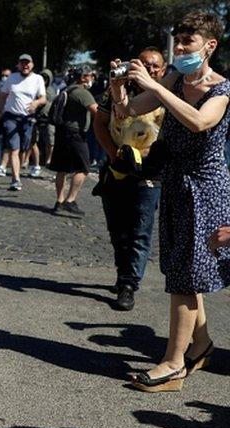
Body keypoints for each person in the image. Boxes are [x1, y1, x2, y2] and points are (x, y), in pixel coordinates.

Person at [113, 11, 229, 392]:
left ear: (209, 45)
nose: (179, 48)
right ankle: (201, 344)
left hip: (205, 189)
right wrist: (121, 88)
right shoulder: (176, 78)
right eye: (177, 41)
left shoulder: (223, 89)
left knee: (184, 277)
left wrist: (159, 85)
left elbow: (198, 122)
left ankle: (173, 365)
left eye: (187, 42)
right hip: (176, 183)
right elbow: (133, 109)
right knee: (182, 270)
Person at [92, 47, 167, 311]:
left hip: (148, 175)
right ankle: (122, 272)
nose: (150, 69)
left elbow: (169, 139)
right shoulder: (116, 90)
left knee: (139, 231)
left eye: (155, 66)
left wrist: (139, 154)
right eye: (144, 64)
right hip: (114, 169)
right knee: (118, 229)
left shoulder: (166, 97)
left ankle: (128, 285)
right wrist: (114, 154)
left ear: (164, 69)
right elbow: (100, 123)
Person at [48, 66, 98, 217]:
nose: (92, 79)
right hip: (76, 134)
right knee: (84, 167)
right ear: (83, 77)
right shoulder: (82, 92)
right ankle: (70, 201)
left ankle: (59, 202)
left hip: (62, 132)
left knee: (62, 169)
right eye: (90, 76)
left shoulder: (67, 90)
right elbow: (96, 111)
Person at [0, 54, 47, 190]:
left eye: (28, 63)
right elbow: (2, 97)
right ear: (18, 64)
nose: (25, 65)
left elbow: (43, 98)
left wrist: (36, 102)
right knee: (14, 149)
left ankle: (20, 165)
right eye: (22, 63)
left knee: (23, 149)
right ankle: (15, 179)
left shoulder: (38, 79)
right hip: (11, 117)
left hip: (27, 119)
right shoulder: (12, 78)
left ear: (32, 65)